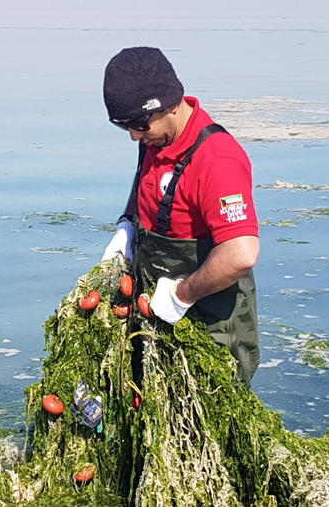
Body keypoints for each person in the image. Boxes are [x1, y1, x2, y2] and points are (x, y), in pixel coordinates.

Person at [100, 47, 261, 383]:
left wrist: (181, 295)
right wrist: (127, 223)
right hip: (154, 310)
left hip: (213, 325)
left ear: (171, 105)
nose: (134, 136)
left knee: (208, 427)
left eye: (139, 125)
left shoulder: (218, 160)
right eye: (123, 126)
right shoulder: (155, 138)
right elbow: (146, 177)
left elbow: (240, 254)